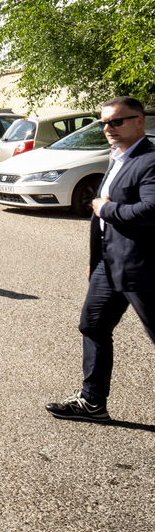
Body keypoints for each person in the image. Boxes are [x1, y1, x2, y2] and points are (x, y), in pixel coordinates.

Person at [46, 96, 155, 423]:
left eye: (116, 121)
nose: (108, 128)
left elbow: (152, 209)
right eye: (104, 122)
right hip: (110, 263)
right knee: (93, 325)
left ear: (140, 121)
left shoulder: (150, 160)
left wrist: (105, 209)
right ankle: (93, 402)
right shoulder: (119, 156)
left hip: (143, 267)